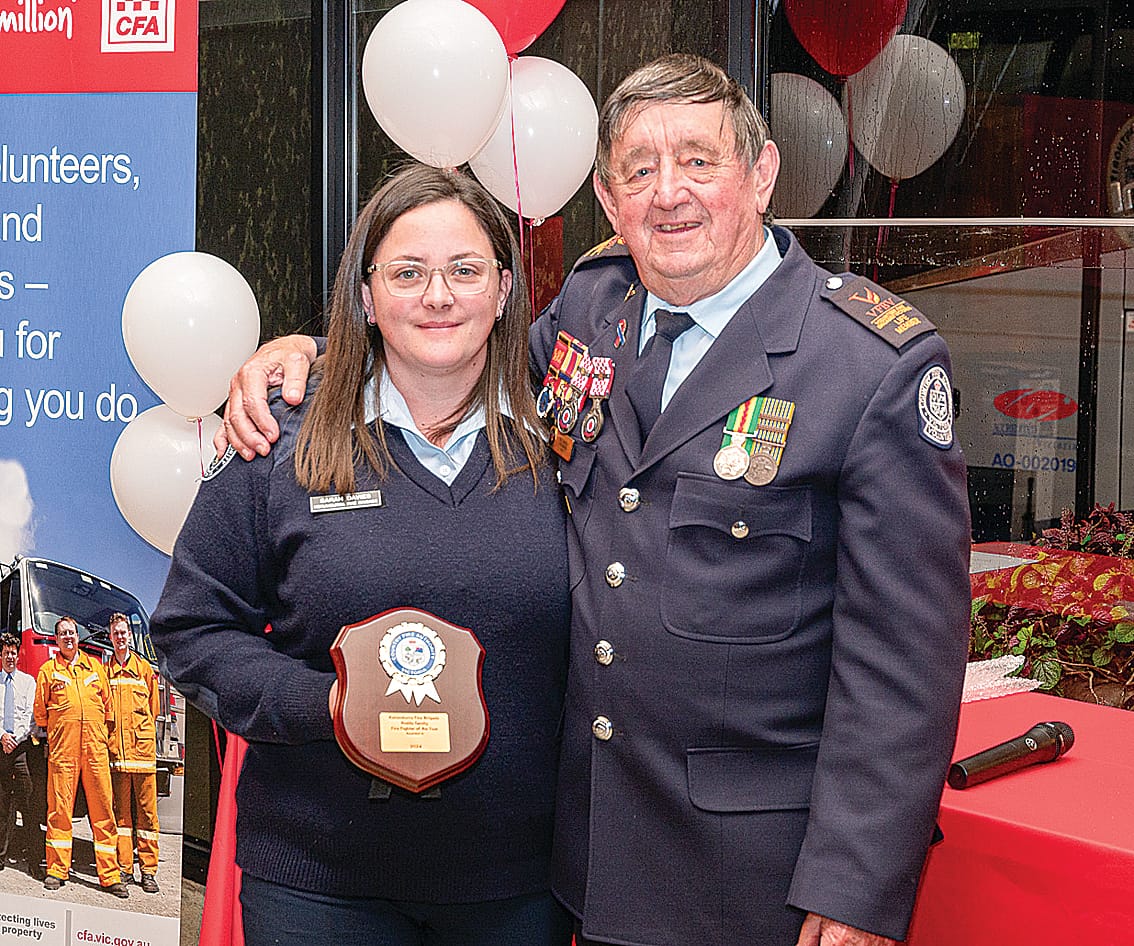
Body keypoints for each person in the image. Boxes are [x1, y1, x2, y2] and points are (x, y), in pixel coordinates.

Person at [219, 54, 971, 946]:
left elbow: (904, 665)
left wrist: (856, 888)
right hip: (591, 856)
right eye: (638, 171)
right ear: (609, 202)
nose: (669, 194)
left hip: (756, 878)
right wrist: (311, 352)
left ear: (762, 174)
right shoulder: (593, 303)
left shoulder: (869, 366)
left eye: (699, 161)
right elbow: (451, 352)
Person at [150, 164, 572, 946]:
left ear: (505, 289)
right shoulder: (279, 437)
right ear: (368, 296)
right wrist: (329, 707)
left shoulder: (566, 438)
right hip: (317, 885)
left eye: (465, 270)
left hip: (519, 884)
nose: (438, 296)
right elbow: (191, 629)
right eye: (407, 273)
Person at [33, 616, 128, 897]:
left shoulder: (95, 668)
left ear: (77, 636)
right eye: (62, 633)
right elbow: (40, 713)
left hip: (95, 750)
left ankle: (110, 875)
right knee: (59, 809)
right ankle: (56, 870)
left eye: (72, 633)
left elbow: (108, 709)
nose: (68, 637)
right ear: (56, 639)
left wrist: (99, 738)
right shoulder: (48, 671)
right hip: (63, 751)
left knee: (103, 810)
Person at [106, 612, 161, 893]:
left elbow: (154, 710)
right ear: (111, 637)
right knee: (122, 817)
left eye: (123, 632)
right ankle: (125, 868)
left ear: (130, 635)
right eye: (115, 633)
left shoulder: (144, 670)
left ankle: (148, 871)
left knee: (148, 815)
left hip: (142, 755)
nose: (120, 637)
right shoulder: (106, 673)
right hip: (118, 756)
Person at [0, 632, 35, 870]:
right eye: (6, 653)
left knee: (29, 801)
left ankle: (34, 858)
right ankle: (1, 856)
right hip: (0, 747)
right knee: (2, 804)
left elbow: (30, 716)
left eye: (13, 653)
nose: (10, 657)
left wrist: (14, 738)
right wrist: (2, 736)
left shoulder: (28, 682)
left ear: (18, 655)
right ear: (1, 656)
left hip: (21, 748)